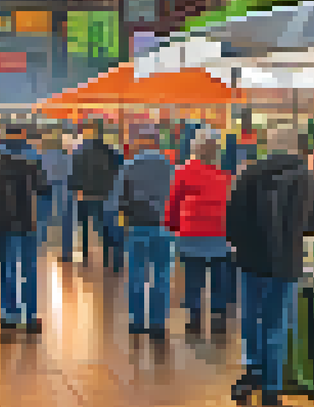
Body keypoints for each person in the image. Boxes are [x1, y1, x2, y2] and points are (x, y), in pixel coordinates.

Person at [226, 127, 314, 407]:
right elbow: (312, 226)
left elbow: (232, 221)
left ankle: (253, 368)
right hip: (286, 262)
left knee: (251, 317)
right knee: (277, 322)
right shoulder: (307, 178)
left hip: (251, 260)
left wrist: (241, 245)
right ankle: (272, 385)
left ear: (269, 145)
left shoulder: (248, 174)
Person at [166, 129, 235, 335]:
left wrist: (172, 226)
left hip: (191, 232)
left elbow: (174, 202)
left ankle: (195, 317)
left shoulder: (182, 172)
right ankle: (218, 315)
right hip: (219, 232)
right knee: (218, 277)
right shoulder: (223, 175)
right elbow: (230, 204)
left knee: (193, 277)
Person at [108, 126, 175, 337]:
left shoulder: (128, 166)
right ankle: (158, 324)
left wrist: (120, 223)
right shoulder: (170, 167)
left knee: (137, 273)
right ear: (156, 142)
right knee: (162, 274)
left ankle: (136, 322)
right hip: (164, 226)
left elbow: (117, 200)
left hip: (137, 225)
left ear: (141, 142)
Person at [0, 126, 49, 333]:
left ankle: (9, 314)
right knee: (28, 268)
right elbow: (44, 188)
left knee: (7, 268)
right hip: (28, 222)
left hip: (3, 224)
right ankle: (30, 317)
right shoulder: (32, 161)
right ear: (23, 137)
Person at [69, 121, 122, 269]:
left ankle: (85, 255)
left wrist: (76, 188)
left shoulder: (79, 151)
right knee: (103, 226)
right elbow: (116, 171)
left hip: (84, 194)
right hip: (103, 194)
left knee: (84, 226)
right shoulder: (109, 151)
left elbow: (74, 172)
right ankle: (106, 257)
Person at [38, 130, 71, 256]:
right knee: (65, 219)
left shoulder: (42, 156)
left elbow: (40, 172)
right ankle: (66, 250)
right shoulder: (66, 156)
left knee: (43, 218)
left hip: (46, 188)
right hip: (64, 187)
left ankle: (41, 243)